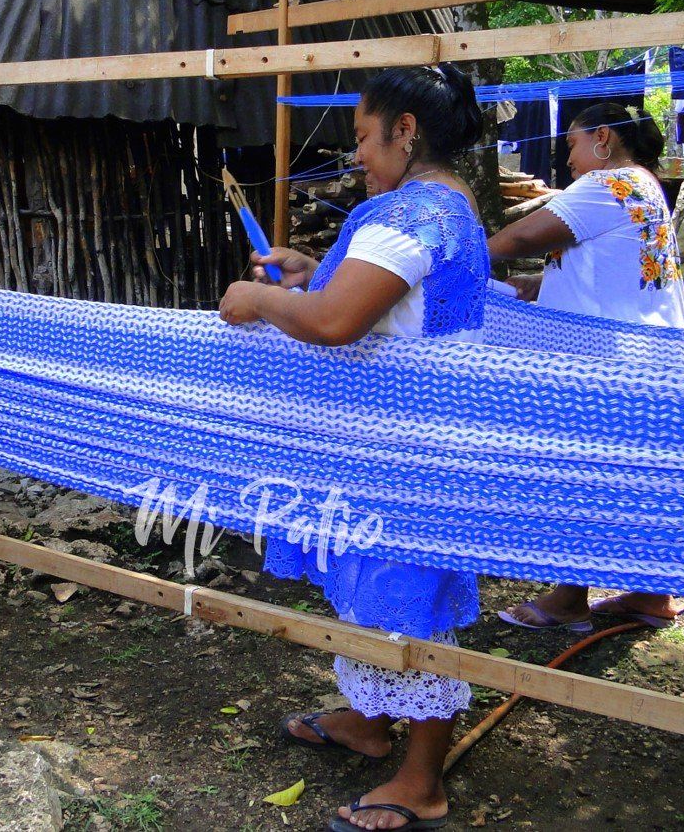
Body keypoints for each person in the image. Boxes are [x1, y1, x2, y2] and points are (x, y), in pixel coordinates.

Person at [219, 63, 487, 832]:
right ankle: (369, 722)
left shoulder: (410, 212)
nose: (358, 155)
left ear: (406, 130)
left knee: (412, 604)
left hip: (405, 450)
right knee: (379, 589)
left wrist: (260, 298)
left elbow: (338, 321)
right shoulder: (450, 205)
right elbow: (389, 299)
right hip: (415, 439)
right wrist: (313, 271)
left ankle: (422, 780)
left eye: (365, 136)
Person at [488, 101, 684, 632]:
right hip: (646, 357)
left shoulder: (608, 183)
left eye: (572, 144)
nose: (568, 159)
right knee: (634, 479)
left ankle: (569, 599)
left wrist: (454, 256)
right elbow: (612, 266)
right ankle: (650, 594)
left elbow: (520, 238)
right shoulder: (643, 184)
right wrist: (543, 284)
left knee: (580, 475)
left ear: (603, 138)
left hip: (607, 363)